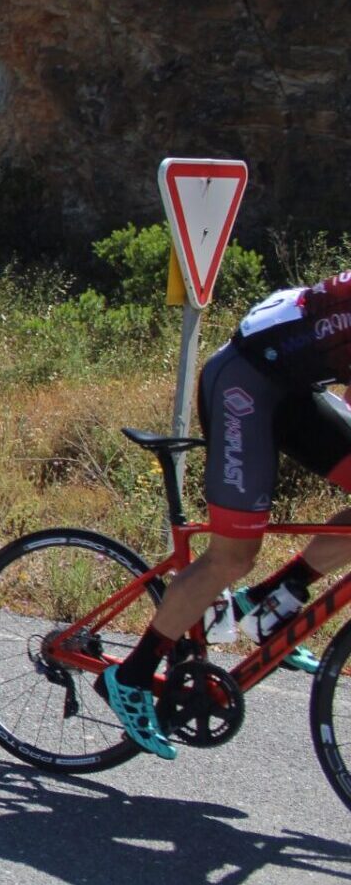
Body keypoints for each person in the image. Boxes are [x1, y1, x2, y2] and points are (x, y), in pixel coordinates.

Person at [99, 274, 345, 760]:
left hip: (291, 382)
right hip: (246, 385)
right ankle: (129, 676)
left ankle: (270, 602)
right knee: (233, 557)